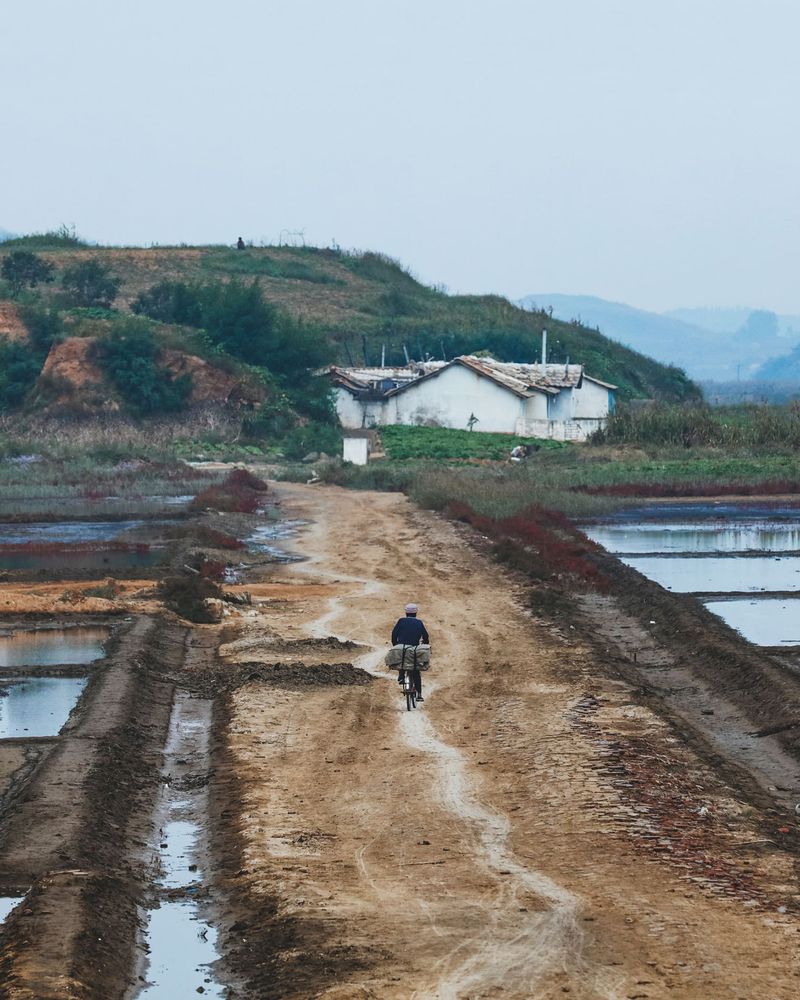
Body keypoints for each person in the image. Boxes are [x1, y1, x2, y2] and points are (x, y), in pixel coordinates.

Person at [392, 603, 429, 701]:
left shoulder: (401, 621)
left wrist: (395, 644)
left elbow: (394, 634)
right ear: (416, 612)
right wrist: (425, 644)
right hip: (414, 648)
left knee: (401, 659)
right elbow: (425, 636)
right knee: (416, 670)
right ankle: (419, 695)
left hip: (402, 646)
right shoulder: (419, 623)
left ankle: (401, 676)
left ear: (406, 612)